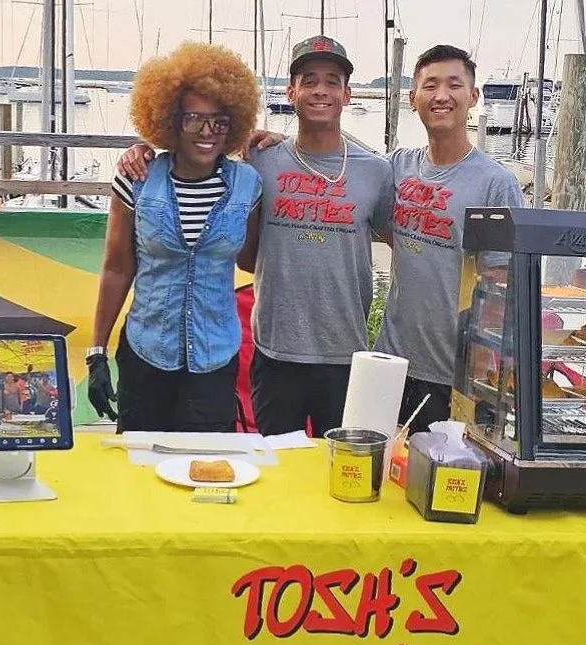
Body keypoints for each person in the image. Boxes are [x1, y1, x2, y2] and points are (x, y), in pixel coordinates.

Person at [120, 35, 393, 437]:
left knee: (339, 479)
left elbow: (400, 243)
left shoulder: (377, 171)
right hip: (275, 354)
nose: (321, 90)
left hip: (345, 353)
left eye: (333, 81)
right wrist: (144, 148)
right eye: (309, 80)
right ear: (291, 92)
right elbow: (198, 152)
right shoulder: (260, 161)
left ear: (348, 94)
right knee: (275, 476)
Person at [86, 42, 263, 432]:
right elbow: (117, 268)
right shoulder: (137, 179)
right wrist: (96, 351)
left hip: (215, 358)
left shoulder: (249, 185)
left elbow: (250, 262)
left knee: (205, 475)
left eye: (219, 121)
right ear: (169, 119)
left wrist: (278, 147)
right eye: (193, 119)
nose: (207, 132)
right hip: (146, 351)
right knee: (138, 472)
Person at [373, 44, 525, 433]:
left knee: (442, 486)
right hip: (390, 361)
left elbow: (505, 282)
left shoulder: (496, 184)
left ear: (472, 97)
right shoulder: (397, 167)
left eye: (454, 85)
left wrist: (482, 363)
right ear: (413, 98)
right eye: (430, 85)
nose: (441, 96)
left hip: (455, 375)